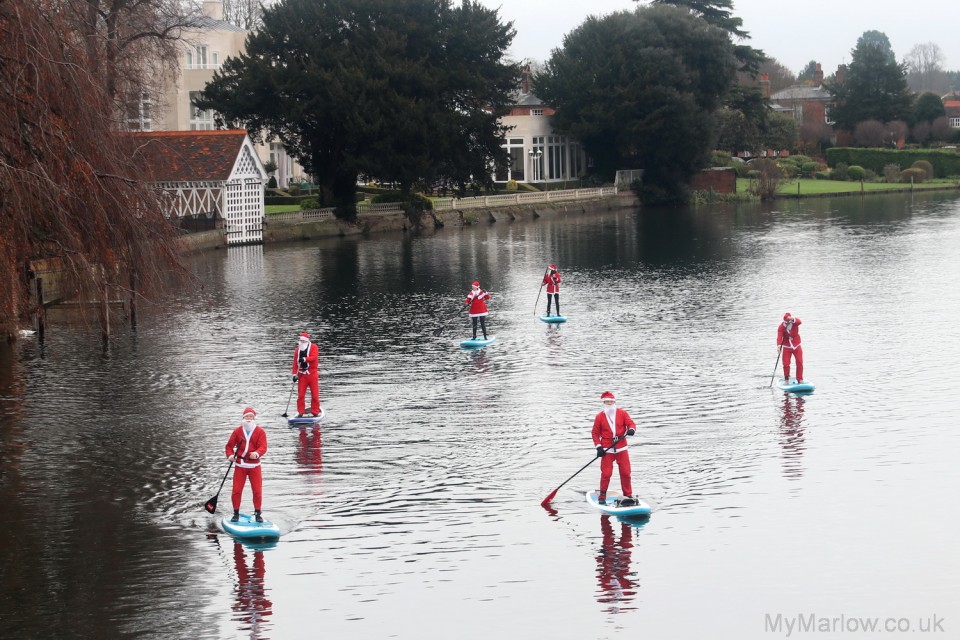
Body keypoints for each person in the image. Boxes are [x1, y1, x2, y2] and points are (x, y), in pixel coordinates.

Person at [591, 391, 636, 505]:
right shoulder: (599, 417)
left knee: (626, 472)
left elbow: (631, 424)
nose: (609, 403)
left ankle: (628, 495)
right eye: (607, 402)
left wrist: (631, 429)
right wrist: (599, 447)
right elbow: (595, 433)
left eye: (611, 401)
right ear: (604, 403)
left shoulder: (622, 413)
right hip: (607, 448)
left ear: (614, 402)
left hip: (621, 447)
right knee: (606, 474)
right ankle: (602, 496)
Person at [225, 407, 268, 523]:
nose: (249, 419)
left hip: (255, 466)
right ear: (243, 418)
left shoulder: (260, 432)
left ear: (254, 418)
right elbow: (229, 446)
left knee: (257, 491)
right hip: (240, 465)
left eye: (251, 417)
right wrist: (231, 456)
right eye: (247, 416)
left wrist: (257, 453)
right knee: (236, 490)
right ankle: (236, 513)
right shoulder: (237, 431)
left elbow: (263, 447)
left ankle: (258, 513)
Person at [291, 332, 320, 418]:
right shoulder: (297, 350)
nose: (302, 342)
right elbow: (295, 363)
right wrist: (294, 374)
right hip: (302, 375)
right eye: (301, 341)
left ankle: (315, 411)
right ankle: (300, 412)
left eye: (304, 341)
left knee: (315, 395)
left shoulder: (314, 347)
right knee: (301, 395)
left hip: (312, 374)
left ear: (307, 341)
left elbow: (314, 357)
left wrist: (305, 359)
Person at [778, 312, 804, 383]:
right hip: (787, 346)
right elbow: (779, 337)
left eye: (788, 321)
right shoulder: (781, 327)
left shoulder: (795, 322)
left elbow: (799, 321)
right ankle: (786, 379)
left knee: (799, 362)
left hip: (796, 345)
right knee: (786, 363)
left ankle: (800, 379)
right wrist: (779, 346)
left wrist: (792, 318)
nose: (787, 323)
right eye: (786, 321)